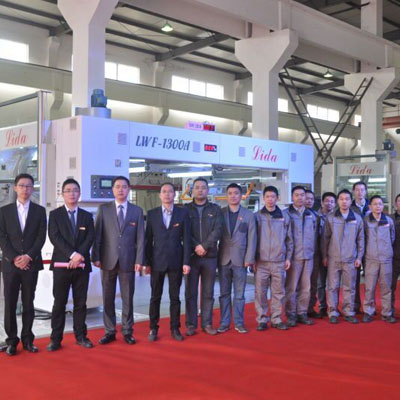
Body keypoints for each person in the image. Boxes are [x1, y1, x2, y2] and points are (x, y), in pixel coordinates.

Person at [92, 176, 145, 345]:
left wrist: (139, 259)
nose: (120, 189)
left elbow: (141, 238)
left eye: (124, 187)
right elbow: (98, 235)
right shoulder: (104, 209)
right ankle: (109, 331)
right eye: (117, 186)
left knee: (128, 298)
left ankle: (128, 331)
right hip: (107, 260)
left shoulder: (136, 211)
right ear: (113, 190)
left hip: (129, 260)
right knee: (107, 298)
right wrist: (96, 256)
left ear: (129, 189)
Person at [0, 173, 47, 356]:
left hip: (31, 264)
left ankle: (28, 340)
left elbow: (41, 237)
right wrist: (14, 258)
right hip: (10, 265)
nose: (25, 189)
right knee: (10, 303)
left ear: (33, 188)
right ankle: (12, 341)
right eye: (21, 185)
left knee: (28, 303)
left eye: (28, 186)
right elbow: (2, 237)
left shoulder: (39, 211)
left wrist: (28, 256)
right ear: (15, 188)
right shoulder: (4, 211)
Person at [46, 179, 95, 351]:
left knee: (80, 303)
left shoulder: (87, 216)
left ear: (79, 193)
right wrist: (73, 255)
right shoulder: (55, 215)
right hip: (61, 266)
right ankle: (55, 339)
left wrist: (79, 256)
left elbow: (90, 237)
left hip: (81, 266)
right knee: (59, 303)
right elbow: (54, 237)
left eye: (75, 190)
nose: (72, 193)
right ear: (62, 194)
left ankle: (81, 336)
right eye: (68, 190)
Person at [144, 183, 191, 342]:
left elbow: (187, 239)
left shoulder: (182, 214)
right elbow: (148, 240)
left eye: (170, 191)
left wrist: (186, 262)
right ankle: (153, 328)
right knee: (155, 297)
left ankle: (175, 328)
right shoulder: (152, 214)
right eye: (164, 191)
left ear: (174, 194)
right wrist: (147, 262)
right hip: (157, 261)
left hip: (176, 261)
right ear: (160, 195)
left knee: (175, 297)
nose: (167, 194)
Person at [185, 178, 223, 336]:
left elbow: (218, 230)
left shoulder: (215, 209)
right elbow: (184, 231)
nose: (200, 190)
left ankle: (207, 323)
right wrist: (196, 246)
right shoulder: (185, 210)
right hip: (191, 257)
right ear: (192, 190)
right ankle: (191, 324)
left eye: (203, 187)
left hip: (210, 256)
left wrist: (205, 246)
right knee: (190, 292)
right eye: (197, 187)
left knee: (208, 292)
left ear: (207, 190)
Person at [217, 183, 256, 334]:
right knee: (224, 294)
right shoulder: (220, 213)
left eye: (236, 193)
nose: (233, 196)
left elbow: (252, 238)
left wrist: (249, 258)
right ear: (227, 196)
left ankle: (239, 323)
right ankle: (224, 322)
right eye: (230, 193)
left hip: (241, 260)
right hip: (223, 259)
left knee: (239, 295)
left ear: (241, 196)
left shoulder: (249, 215)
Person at [254, 186, 293, 331]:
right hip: (261, 262)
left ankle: (276, 319)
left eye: (273, 197)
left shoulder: (285, 217)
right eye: (267, 197)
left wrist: (288, 257)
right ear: (263, 198)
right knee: (260, 292)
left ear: (277, 198)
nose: (270, 199)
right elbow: (252, 240)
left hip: (279, 261)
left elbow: (289, 239)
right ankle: (262, 319)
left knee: (278, 292)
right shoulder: (257, 216)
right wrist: (252, 259)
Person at [322, 189, 364, 324]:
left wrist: (359, 257)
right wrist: (324, 256)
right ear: (338, 201)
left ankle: (349, 312)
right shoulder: (331, 217)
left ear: (351, 201)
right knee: (332, 286)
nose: (344, 201)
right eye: (341, 199)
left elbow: (360, 240)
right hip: (333, 258)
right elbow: (325, 238)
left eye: (347, 199)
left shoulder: (357, 219)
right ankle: (332, 311)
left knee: (349, 287)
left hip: (350, 259)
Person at [284, 186, 317, 327]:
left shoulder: (312, 215)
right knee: (291, 288)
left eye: (302, 195)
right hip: (293, 257)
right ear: (292, 197)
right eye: (296, 195)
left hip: (308, 256)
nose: (299, 197)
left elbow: (315, 235)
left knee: (306, 287)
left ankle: (302, 313)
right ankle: (291, 314)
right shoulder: (286, 214)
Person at [363, 195, 396, 323]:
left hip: (386, 259)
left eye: (380, 204)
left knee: (386, 287)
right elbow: (363, 239)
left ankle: (387, 313)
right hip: (371, 259)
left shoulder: (389, 221)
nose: (378, 206)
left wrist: (386, 250)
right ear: (370, 206)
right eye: (375, 204)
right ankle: (368, 312)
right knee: (369, 287)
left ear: (383, 206)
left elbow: (392, 237)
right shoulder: (366, 221)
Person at [315, 192, 336, 317]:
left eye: (332, 201)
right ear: (322, 202)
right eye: (327, 201)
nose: (329, 203)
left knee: (334, 283)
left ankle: (333, 307)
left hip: (334, 254)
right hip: (319, 254)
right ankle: (322, 306)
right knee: (320, 282)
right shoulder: (315, 216)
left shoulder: (337, 217)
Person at [351, 181, 370, 314]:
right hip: (354, 248)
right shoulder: (349, 207)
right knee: (354, 279)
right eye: (357, 190)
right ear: (354, 192)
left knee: (370, 279)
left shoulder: (372, 206)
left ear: (365, 191)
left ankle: (369, 306)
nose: (360, 192)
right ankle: (355, 305)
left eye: (362, 190)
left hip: (370, 248)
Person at [304, 189, 321, 318]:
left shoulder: (316, 216)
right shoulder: (292, 215)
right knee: (300, 285)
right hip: (299, 255)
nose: (309, 201)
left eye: (311, 199)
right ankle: (297, 311)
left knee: (313, 283)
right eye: (307, 198)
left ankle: (310, 308)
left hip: (314, 254)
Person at [390, 193, 400, 316]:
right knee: (391, 286)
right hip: (393, 258)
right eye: (399, 201)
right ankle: (389, 309)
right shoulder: (390, 219)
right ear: (395, 203)